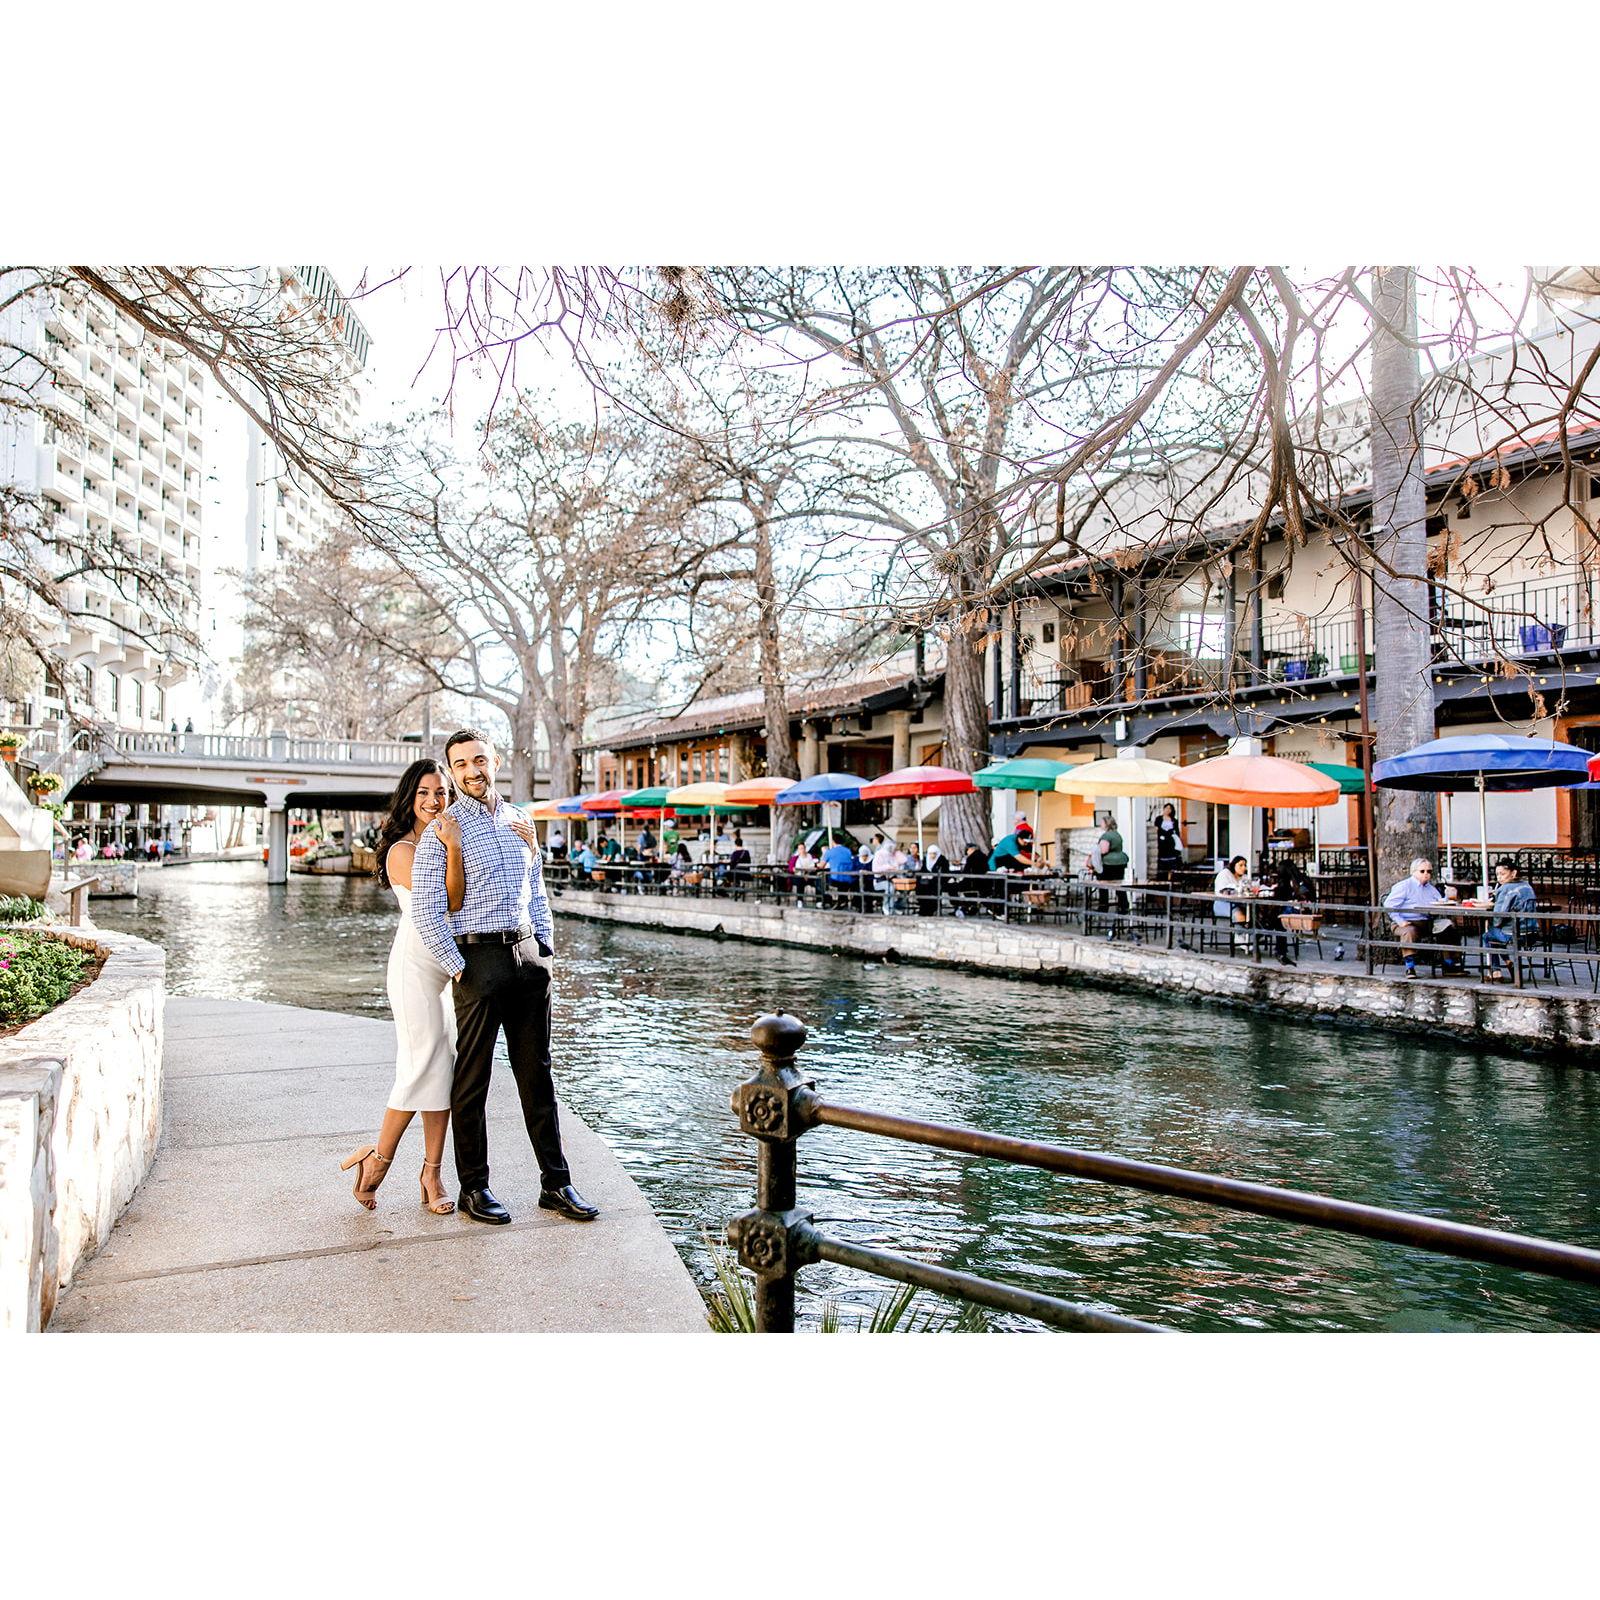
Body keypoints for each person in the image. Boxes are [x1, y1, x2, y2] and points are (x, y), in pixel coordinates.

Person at [410, 729, 598, 1225]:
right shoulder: (442, 830)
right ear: (453, 772)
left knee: (538, 1076)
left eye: (478, 760)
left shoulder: (521, 820)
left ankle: (556, 1184)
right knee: (473, 1080)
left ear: (494, 761)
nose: (471, 770)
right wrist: (460, 968)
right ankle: (474, 1187)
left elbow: (535, 889)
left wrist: (545, 950)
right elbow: (428, 911)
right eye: (460, 764)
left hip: (528, 958)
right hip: (478, 960)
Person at [340, 759, 467, 1215]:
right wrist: (455, 849)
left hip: (450, 965)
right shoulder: (402, 850)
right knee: (419, 1068)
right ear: (409, 799)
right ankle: (377, 1160)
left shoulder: (448, 837)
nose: (434, 801)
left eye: (441, 792)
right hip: (416, 966)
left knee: (443, 1068)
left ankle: (432, 1173)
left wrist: (456, 845)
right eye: (424, 793)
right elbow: (449, 902)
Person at [1383, 858, 1463, 977]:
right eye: (1422, 871)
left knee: (1449, 927)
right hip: (1407, 921)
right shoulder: (1404, 886)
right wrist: (1400, 921)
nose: (1426, 874)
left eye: (1429, 871)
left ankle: (1449, 963)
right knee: (1409, 932)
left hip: (1426, 921)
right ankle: (1410, 967)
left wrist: (1448, 896)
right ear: (1414, 872)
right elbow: (1389, 904)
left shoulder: (1430, 888)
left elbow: (1440, 902)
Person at [1482, 857, 1538, 981]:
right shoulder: (1527, 886)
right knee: (1495, 935)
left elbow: (1498, 916)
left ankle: (1496, 971)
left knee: (1488, 935)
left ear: (1513, 873)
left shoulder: (1506, 889)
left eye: (1502, 874)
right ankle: (1507, 962)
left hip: (1514, 934)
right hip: (1532, 932)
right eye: (1497, 874)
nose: (1499, 877)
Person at [1090, 812, 1129, 913]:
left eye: (1102, 822)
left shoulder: (1106, 836)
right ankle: (1124, 905)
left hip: (1109, 863)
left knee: (1103, 885)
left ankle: (1103, 907)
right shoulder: (1117, 834)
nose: (1101, 824)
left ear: (1107, 824)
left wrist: (1094, 854)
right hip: (1120, 861)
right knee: (1119, 884)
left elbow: (1104, 850)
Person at [1212, 854, 1252, 923]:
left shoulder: (1244, 877)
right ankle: (1241, 929)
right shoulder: (1224, 874)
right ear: (1234, 865)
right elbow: (1224, 890)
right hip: (1224, 903)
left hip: (1240, 902)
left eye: (1245, 865)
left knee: (1255, 913)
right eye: (1241, 865)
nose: (1244, 868)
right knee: (1241, 916)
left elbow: (1249, 887)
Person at [821, 837, 857, 907]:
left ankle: (827, 900)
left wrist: (815, 865)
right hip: (848, 877)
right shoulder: (848, 851)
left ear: (833, 841)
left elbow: (821, 866)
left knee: (820, 880)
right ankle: (842, 901)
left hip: (836, 878)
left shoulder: (830, 852)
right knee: (843, 883)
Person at [959, 841, 991, 917]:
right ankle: (971, 907)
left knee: (953, 887)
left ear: (970, 849)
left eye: (967, 851)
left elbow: (966, 872)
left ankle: (962, 907)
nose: (967, 853)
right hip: (984, 882)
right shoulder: (983, 856)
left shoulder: (971, 858)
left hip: (973, 883)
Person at [872, 833, 901, 914]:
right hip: (878, 880)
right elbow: (875, 869)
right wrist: (888, 867)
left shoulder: (889, 856)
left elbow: (894, 866)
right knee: (890, 888)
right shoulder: (879, 854)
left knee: (898, 888)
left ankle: (892, 907)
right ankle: (886, 907)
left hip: (888, 878)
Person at [1155, 804, 1184, 882]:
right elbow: (1156, 829)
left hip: (1170, 840)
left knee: (1172, 860)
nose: (1168, 810)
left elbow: (1176, 831)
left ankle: (1171, 878)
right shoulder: (1159, 819)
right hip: (1162, 841)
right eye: (1166, 808)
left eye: (1169, 809)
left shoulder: (1174, 820)